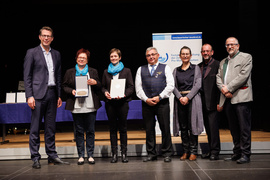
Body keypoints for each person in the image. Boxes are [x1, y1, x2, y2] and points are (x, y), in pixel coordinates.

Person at [24, 26, 69, 169]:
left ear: (52, 38)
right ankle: (35, 157)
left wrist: (59, 95)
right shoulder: (32, 53)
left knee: (51, 127)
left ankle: (52, 155)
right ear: (39, 37)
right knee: (35, 127)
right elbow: (27, 76)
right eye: (44, 35)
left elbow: (58, 75)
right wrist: (29, 95)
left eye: (49, 36)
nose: (46, 38)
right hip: (37, 95)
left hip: (52, 93)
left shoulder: (56, 54)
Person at [216, 37, 253, 164]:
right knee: (233, 128)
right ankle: (237, 152)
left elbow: (243, 76)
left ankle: (245, 154)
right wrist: (223, 89)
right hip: (227, 99)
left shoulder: (246, 57)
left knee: (244, 128)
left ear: (238, 45)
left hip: (241, 98)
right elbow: (218, 78)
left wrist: (229, 89)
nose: (230, 47)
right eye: (227, 45)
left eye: (232, 44)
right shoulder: (223, 62)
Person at [62, 48, 102, 165]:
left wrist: (95, 83)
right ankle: (80, 155)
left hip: (90, 105)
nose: (81, 59)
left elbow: (99, 85)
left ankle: (90, 155)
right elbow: (64, 86)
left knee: (90, 131)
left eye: (84, 58)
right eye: (80, 57)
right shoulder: (70, 72)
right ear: (76, 58)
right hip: (76, 106)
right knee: (78, 132)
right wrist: (72, 91)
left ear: (87, 60)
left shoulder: (93, 71)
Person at [135, 47, 174, 163]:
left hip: (162, 103)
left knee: (165, 128)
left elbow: (170, 85)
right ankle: (151, 154)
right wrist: (146, 99)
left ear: (158, 55)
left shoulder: (165, 68)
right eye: (148, 55)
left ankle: (167, 153)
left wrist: (160, 96)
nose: (151, 57)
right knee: (149, 129)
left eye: (153, 54)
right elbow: (138, 88)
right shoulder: (140, 69)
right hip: (147, 104)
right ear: (146, 57)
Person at [102, 48, 134, 163]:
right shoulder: (106, 71)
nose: (113, 58)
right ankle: (114, 154)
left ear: (120, 57)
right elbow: (103, 87)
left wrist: (124, 94)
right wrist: (105, 92)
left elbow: (131, 87)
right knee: (112, 129)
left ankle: (124, 154)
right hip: (110, 104)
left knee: (123, 129)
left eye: (115, 56)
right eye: (111, 56)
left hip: (122, 103)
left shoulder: (127, 71)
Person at [172, 46, 203, 161]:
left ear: (190, 56)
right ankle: (185, 151)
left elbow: (198, 85)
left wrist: (188, 98)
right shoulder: (176, 70)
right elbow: (173, 86)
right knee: (183, 127)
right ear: (180, 56)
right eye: (183, 54)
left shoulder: (195, 68)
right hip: (180, 101)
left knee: (192, 126)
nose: (185, 56)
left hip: (192, 100)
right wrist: (180, 97)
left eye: (187, 54)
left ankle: (193, 151)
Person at [198, 44, 221, 160]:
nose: (205, 53)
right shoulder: (199, 66)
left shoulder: (218, 65)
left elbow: (221, 85)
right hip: (202, 103)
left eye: (208, 51)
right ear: (201, 53)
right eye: (203, 51)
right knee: (208, 128)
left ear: (212, 52)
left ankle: (215, 151)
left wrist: (219, 102)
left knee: (213, 128)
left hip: (213, 103)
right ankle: (210, 150)